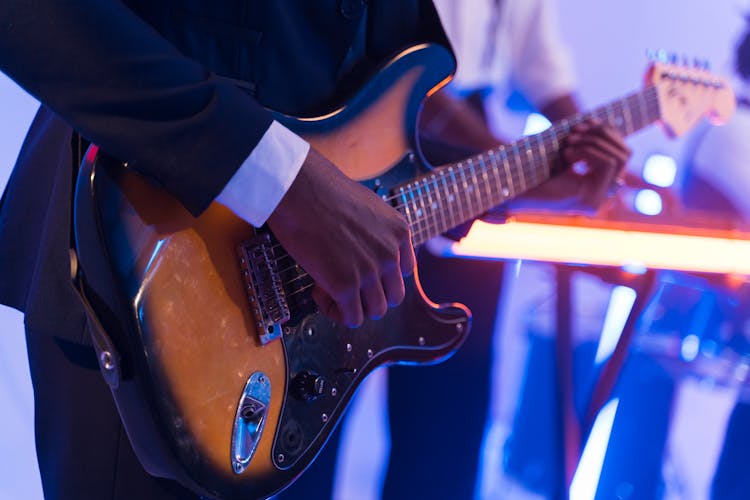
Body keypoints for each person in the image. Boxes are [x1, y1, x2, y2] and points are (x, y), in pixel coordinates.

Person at [0, 1, 627, 499]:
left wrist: (536, 178)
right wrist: (281, 183)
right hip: (147, 267)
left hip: (295, 338)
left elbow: (390, 90)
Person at [383, 0, 631, 499]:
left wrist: (591, 148)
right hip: (388, 110)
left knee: (454, 389)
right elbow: (405, 73)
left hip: (468, 124)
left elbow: (544, 69)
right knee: (316, 383)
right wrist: (512, 167)